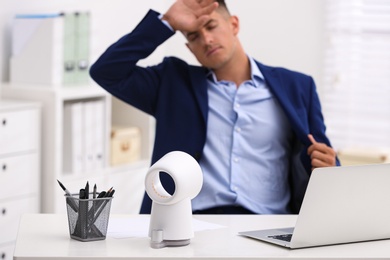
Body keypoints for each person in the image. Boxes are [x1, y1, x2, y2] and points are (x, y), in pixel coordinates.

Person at [90, 0, 340, 215]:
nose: (206, 40)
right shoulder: (172, 83)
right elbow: (106, 72)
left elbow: (322, 156)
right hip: (190, 223)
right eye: (194, 36)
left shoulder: (297, 86)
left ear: (234, 24)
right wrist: (167, 23)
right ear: (189, 48)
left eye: (211, 27)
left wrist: (330, 167)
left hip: (268, 222)